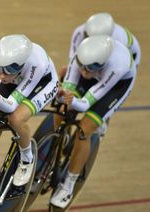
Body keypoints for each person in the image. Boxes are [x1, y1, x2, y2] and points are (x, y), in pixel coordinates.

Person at [50, 35, 136, 208]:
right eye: (82, 65)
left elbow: (86, 104)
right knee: (61, 110)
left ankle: (68, 185)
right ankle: (63, 137)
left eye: (92, 67)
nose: (85, 71)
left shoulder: (117, 66)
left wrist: (72, 100)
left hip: (115, 86)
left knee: (84, 129)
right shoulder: (81, 59)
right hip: (98, 76)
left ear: (102, 63)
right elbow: (71, 84)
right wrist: (64, 94)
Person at [0, 34, 59, 186]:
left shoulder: (36, 63)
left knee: (16, 119)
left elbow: (11, 105)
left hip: (42, 83)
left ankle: (27, 157)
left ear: (21, 65)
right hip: (16, 80)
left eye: (8, 70)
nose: (1, 75)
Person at [59, 12, 141, 136]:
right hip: (95, 64)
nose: (89, 40)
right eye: (87, 36)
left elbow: (109, 75)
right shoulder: (80, 32)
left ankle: (104, 119)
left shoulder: (119, 45)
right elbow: (76, 61)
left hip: (121, 70)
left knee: (100, 101)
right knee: (65, 106)